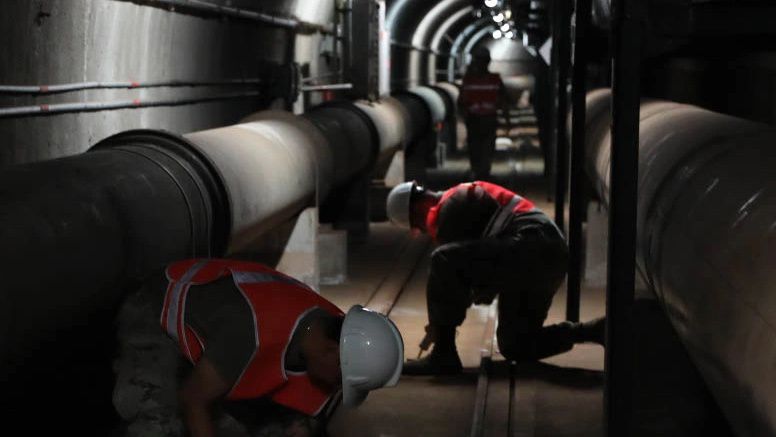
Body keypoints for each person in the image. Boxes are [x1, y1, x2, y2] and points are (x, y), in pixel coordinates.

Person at [112, 258, 403, 437]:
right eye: (341, 379)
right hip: (155, 309)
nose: (337, 387)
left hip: (220, 331)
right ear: (332, 352)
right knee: (159, 424)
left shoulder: (328, 325)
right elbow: (193, 399)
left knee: (285, 428)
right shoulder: (251, 333)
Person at [385, 181, 604, 375]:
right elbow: (479, 276)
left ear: (415, 210)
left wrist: (440, 325)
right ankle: (593, 330)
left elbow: (463, 279)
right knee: (514, 345)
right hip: (546, 254)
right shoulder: (460, 195)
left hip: (530, 246)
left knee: (442, 259)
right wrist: (445, 315)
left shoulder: (450, 209)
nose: (422, 230)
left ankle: (444, 354)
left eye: (417, 226)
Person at [458, 47, 512, 180]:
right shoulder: (490, 79)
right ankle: (481, 173)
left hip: (481, 120)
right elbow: (504, 101)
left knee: (480, 147)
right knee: (481, 148)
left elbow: (461, 102)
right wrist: (507, 120)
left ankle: (481, 173)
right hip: (482, 119)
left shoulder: (470, 79)